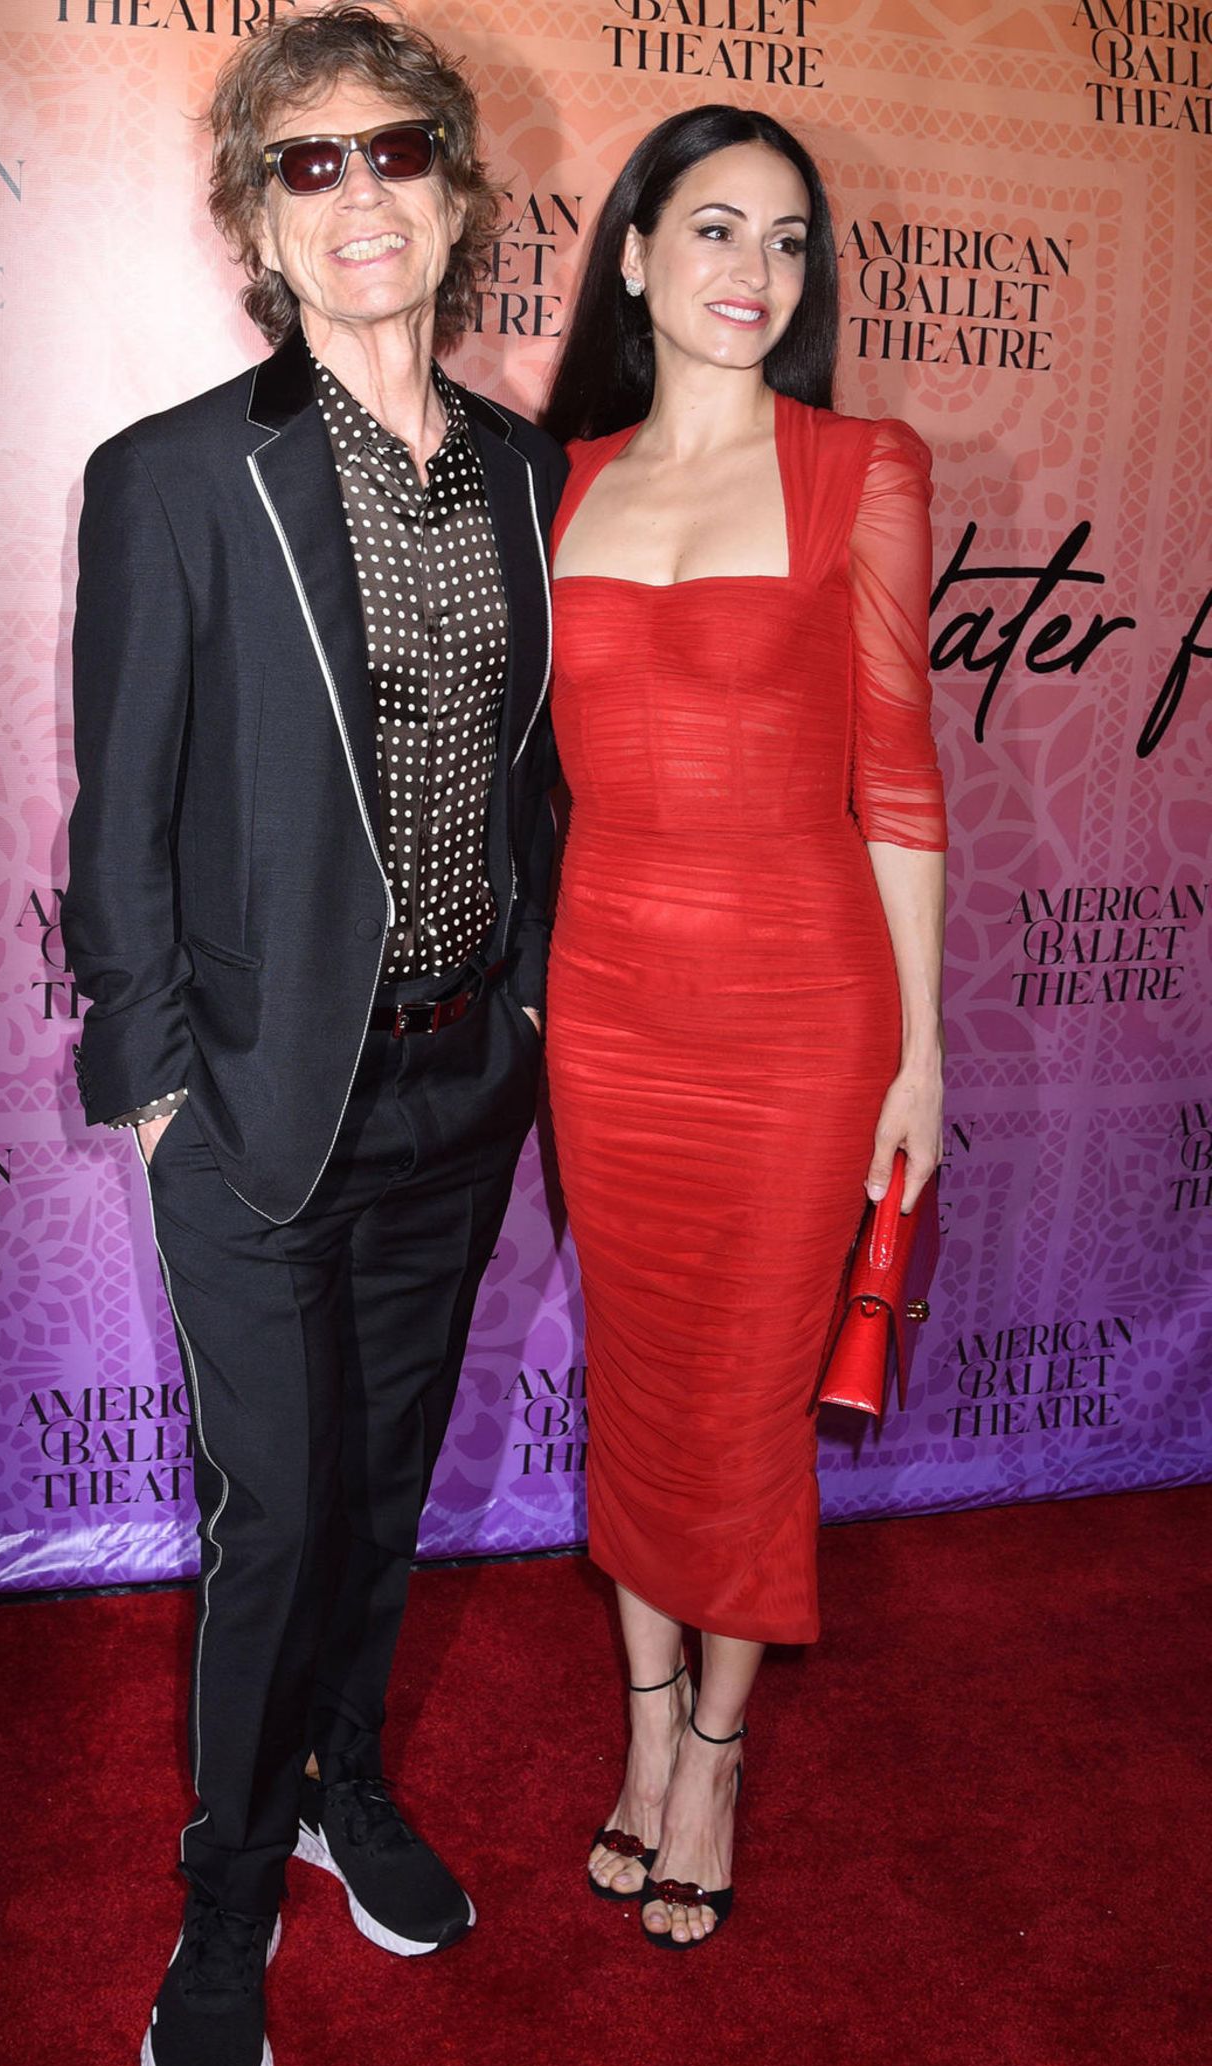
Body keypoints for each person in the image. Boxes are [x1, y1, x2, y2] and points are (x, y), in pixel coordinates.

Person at [62, 5, 563, 2066]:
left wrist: (532, 1020)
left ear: (455, 190)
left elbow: (554, 787)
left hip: (464, 1086)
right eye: (310, 163)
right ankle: (220, 1888)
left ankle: (352, 1785)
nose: (362, 196)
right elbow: (121, 811)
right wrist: (155, 1085)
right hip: (261, 1100)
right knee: (274, 1511)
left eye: (396, 155)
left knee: (382, 1490)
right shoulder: (178, 475)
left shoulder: (537, 474)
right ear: (261, 215)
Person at [539, 105, 947, 1949]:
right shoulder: (561, 480)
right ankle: (640, 1730)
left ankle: (711, 1754)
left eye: (788, 243)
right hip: (609, 1009)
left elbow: (901, 786)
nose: (752, 276)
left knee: (741, 1405)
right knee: (639, 1384)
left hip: (801, 1016)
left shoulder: (861, 463)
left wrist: (920, 1055)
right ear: (632, 254)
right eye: (713, 231)